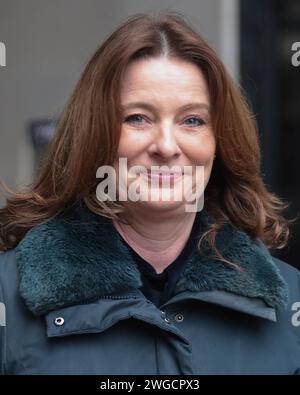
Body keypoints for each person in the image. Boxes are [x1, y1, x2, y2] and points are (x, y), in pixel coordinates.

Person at [0, 12, 299, 375]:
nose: (166, 146)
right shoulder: (8, 297)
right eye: (138, 118)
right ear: (96, 134)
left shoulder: (289, 301)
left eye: (193, 120)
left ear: (219, 142)